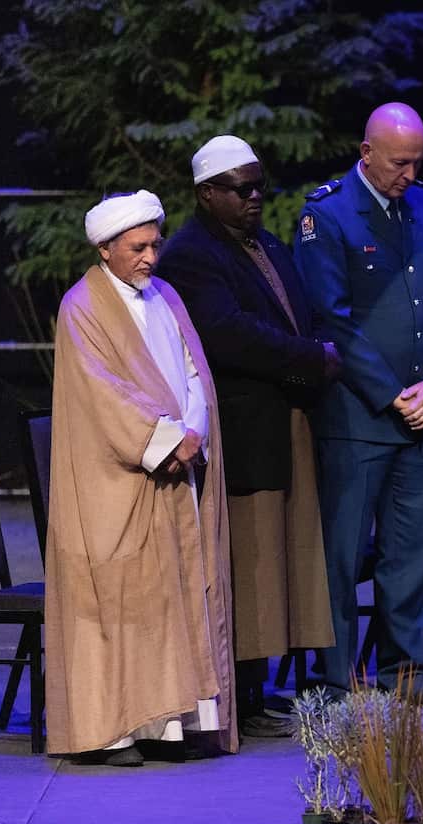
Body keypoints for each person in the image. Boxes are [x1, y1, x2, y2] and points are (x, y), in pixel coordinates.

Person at [45, 191, 238, 765]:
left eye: (155, 244)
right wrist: (164, 437)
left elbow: (190, 370)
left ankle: (170, 726)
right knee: (118, 597)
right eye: (138, 247)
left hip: (174, 466)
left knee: (171, 596)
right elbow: (101, 394)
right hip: (115, 479)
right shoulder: (81, 307)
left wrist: (193, 428)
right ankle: (115, 730)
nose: (151, 256)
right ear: (105, 250)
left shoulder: (166, 297)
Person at [156, 135, 339, 737]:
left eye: (260, 184)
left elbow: (289, 315)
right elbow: (228, 332)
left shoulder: (264, 245)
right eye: (242, 188)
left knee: (281, 554)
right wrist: (310, 357)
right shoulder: (191, 254)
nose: (256, 196)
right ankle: (242, 691)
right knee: (251, 558)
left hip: (282, 420)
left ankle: (260, 688)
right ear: (208, 193)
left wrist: (308, 357)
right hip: (242, 430)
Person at [293, 103, 423, 705]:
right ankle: (335, 679)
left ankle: (406, 673)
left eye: (418, 161)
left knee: (411, 553)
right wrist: (391, 393)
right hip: (359, 417)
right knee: (342, 554)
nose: (409, 174)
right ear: (367, 153)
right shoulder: (329, 215)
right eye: (398, 162)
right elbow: (330, 320)